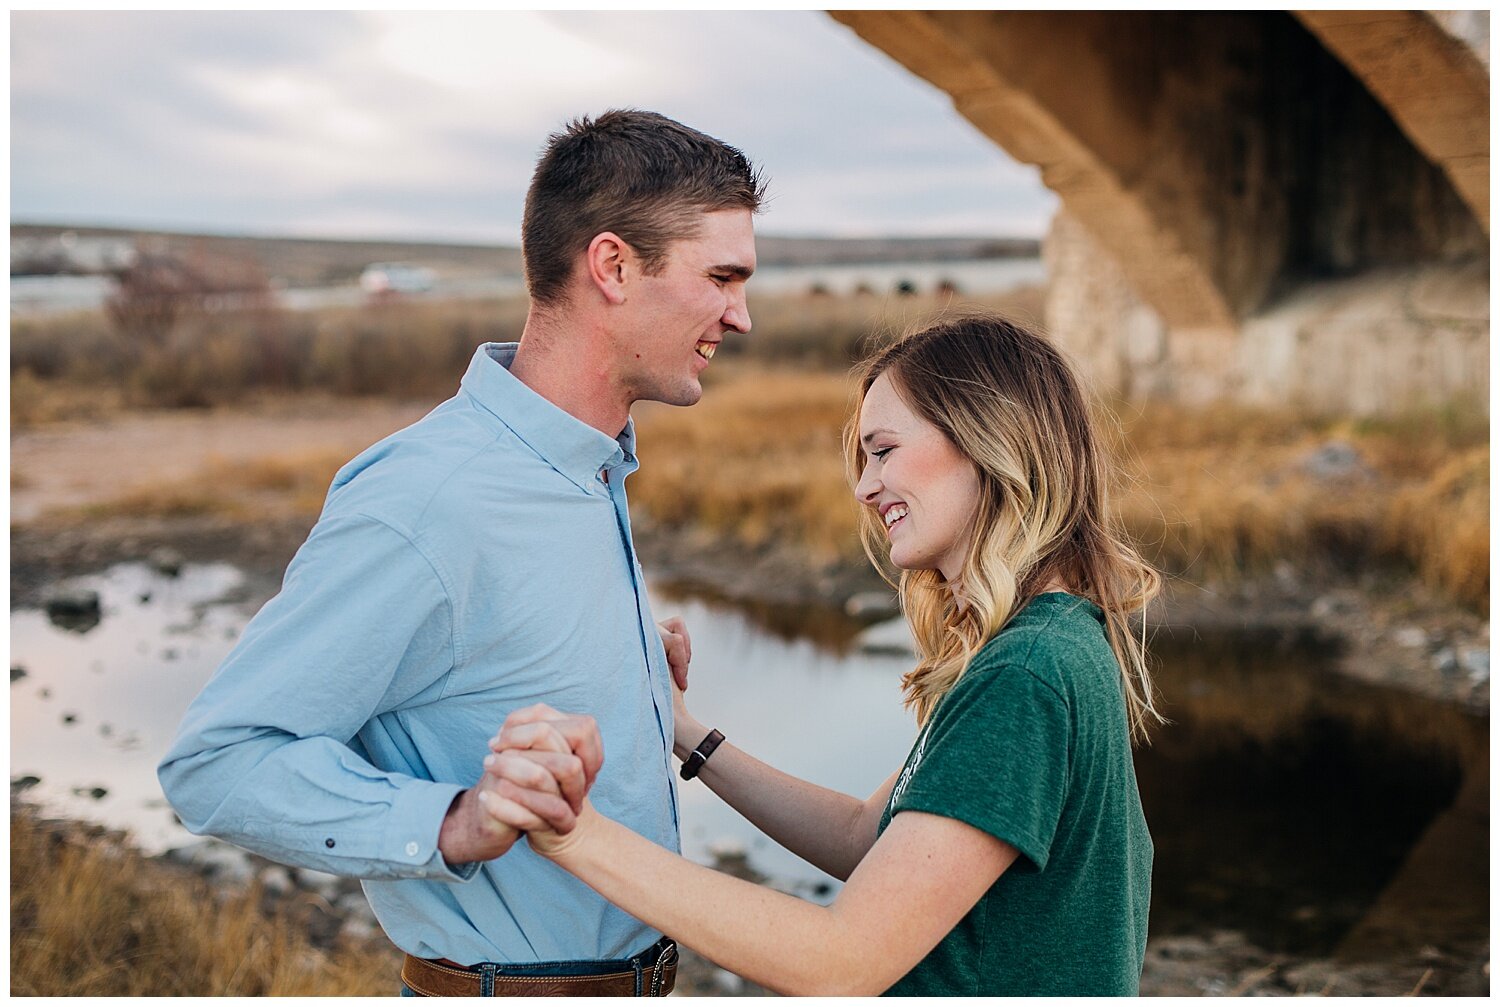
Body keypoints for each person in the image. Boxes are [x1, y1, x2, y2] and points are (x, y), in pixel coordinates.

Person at [157, 108, 765, 997]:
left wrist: (641, 695)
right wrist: (453, 820)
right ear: (613, 266)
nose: (740, 315)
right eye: (722, 276)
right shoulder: (427, 499)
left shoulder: (589, 466)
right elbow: (218, 760)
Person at [480, 314, 1164, 996]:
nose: (865, 488)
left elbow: (841, 961)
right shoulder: (1053, 640)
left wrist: (578, 837)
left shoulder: (1025, 675)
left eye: (885, 449)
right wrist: (683, 730)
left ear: (989, 438)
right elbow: (867, 834)